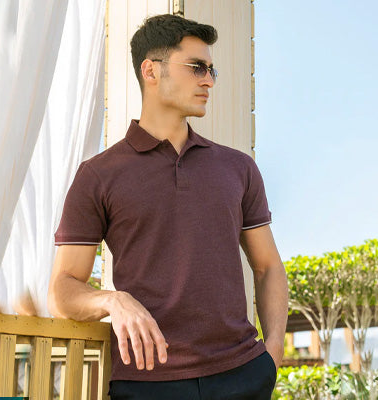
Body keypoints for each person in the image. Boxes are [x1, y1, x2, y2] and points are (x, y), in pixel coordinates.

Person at [48, 13, 288, 400]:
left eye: (211, 70)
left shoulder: (238, 168)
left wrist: (271, 355)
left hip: (242, 374)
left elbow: (268, 266)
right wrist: (113, 300)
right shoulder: (98, 175)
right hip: (147, 384)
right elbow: (62, 289)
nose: (209, 80)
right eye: (196, 67)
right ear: (151, 71)